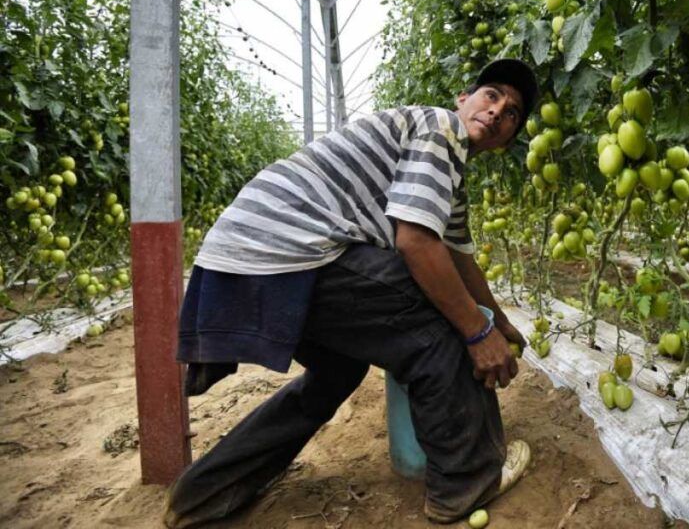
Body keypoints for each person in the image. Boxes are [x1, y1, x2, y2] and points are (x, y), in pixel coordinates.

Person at [163, 59, 540, 527]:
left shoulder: (450, 183)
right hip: (287, 249)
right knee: (443, 323)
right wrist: (479, 332)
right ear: (463, 100)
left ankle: (201, 495)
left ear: (508, 139)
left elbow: (459, 258)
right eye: (491, 94)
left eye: (512, 112)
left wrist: (500, 322)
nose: (498, 110)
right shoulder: (441, 127)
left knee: (337, 371)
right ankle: (468, 481)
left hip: (245, 259)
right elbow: (416, 242)